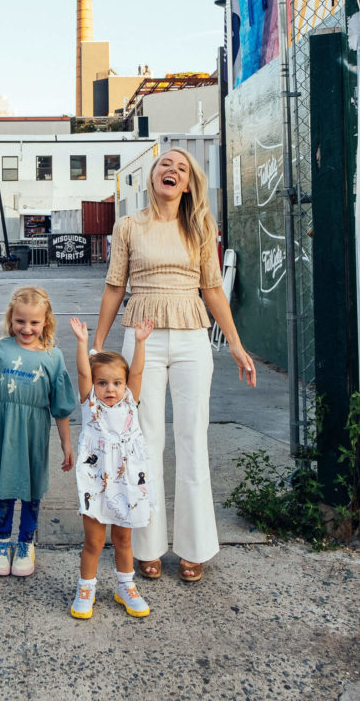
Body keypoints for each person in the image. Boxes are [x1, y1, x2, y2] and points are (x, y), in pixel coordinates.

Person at [92, 148, 255, 584]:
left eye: (182, 168)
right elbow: (114, 287)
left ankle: (194, 547)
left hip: (190, 337)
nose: (173, 170)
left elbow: (214, 289)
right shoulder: (128, 225)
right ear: (152, 176)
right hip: (141, 338)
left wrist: (236, 345)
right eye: (166, 164)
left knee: (191, 438)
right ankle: (145, 545)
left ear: (188, 184)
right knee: (144, 441)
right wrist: (98, 346)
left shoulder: (201, 226)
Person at [0, 285, 75, 577]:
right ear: (11, 318)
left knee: (31, 489)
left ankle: (25, 543)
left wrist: (66, 443)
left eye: (34, 322)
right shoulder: (0, 349)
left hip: (34, 431)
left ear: (46, 321)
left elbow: (60, 407)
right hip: (6, 429)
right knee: (6, 487)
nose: (27, 328)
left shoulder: (52, 357)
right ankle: (2, 541)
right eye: (20, 321)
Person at [69, 316, 156, 620]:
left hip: (127, 482)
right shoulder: (90, 403)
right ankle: (85, 588)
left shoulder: (130, 402)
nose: (110, 389)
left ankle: (125, 586)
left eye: (117, 382)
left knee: (123, 539)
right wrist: (83, 343)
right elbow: (82, 370)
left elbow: (139, 370)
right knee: (93, 540)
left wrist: (141, 342)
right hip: (96, 481)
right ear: (94, 385)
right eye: (103, 382)